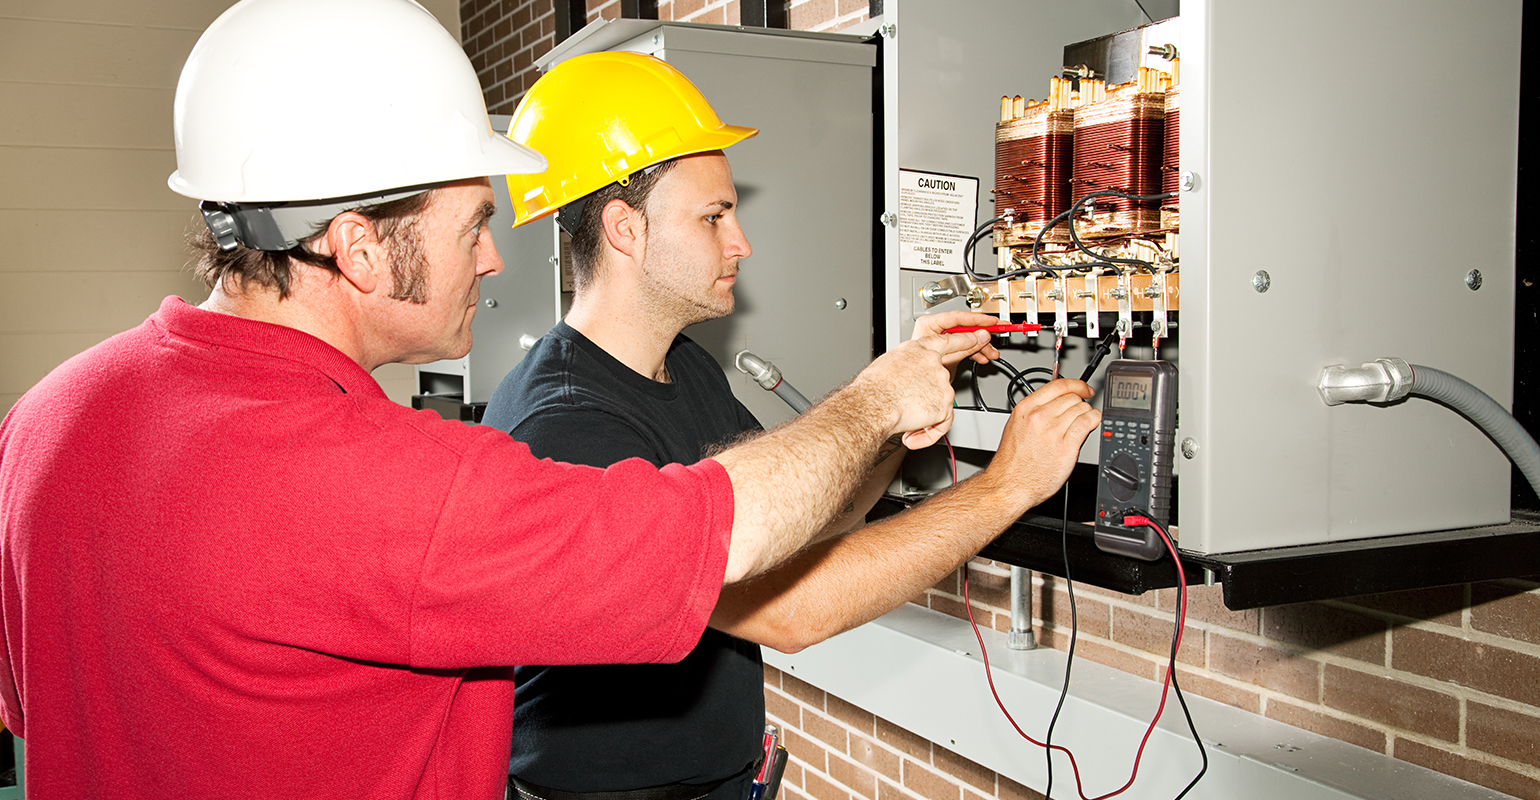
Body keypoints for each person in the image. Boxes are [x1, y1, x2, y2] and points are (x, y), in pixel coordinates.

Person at [0, 3, 991, 799]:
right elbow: (719, 534)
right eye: (474, 220)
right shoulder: (391, 484)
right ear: (355, 245)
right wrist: (886, 403)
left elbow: (35, 704)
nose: (491, 255)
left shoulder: (45, 420)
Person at [485, 52, 1102, 800]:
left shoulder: (684, 368)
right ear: (625, 228)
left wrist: (909, 395)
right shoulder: (570, 427)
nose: (740, 241)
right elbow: (791, 610)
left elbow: (814, 515)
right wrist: (1006, 487)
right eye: (713, 217)